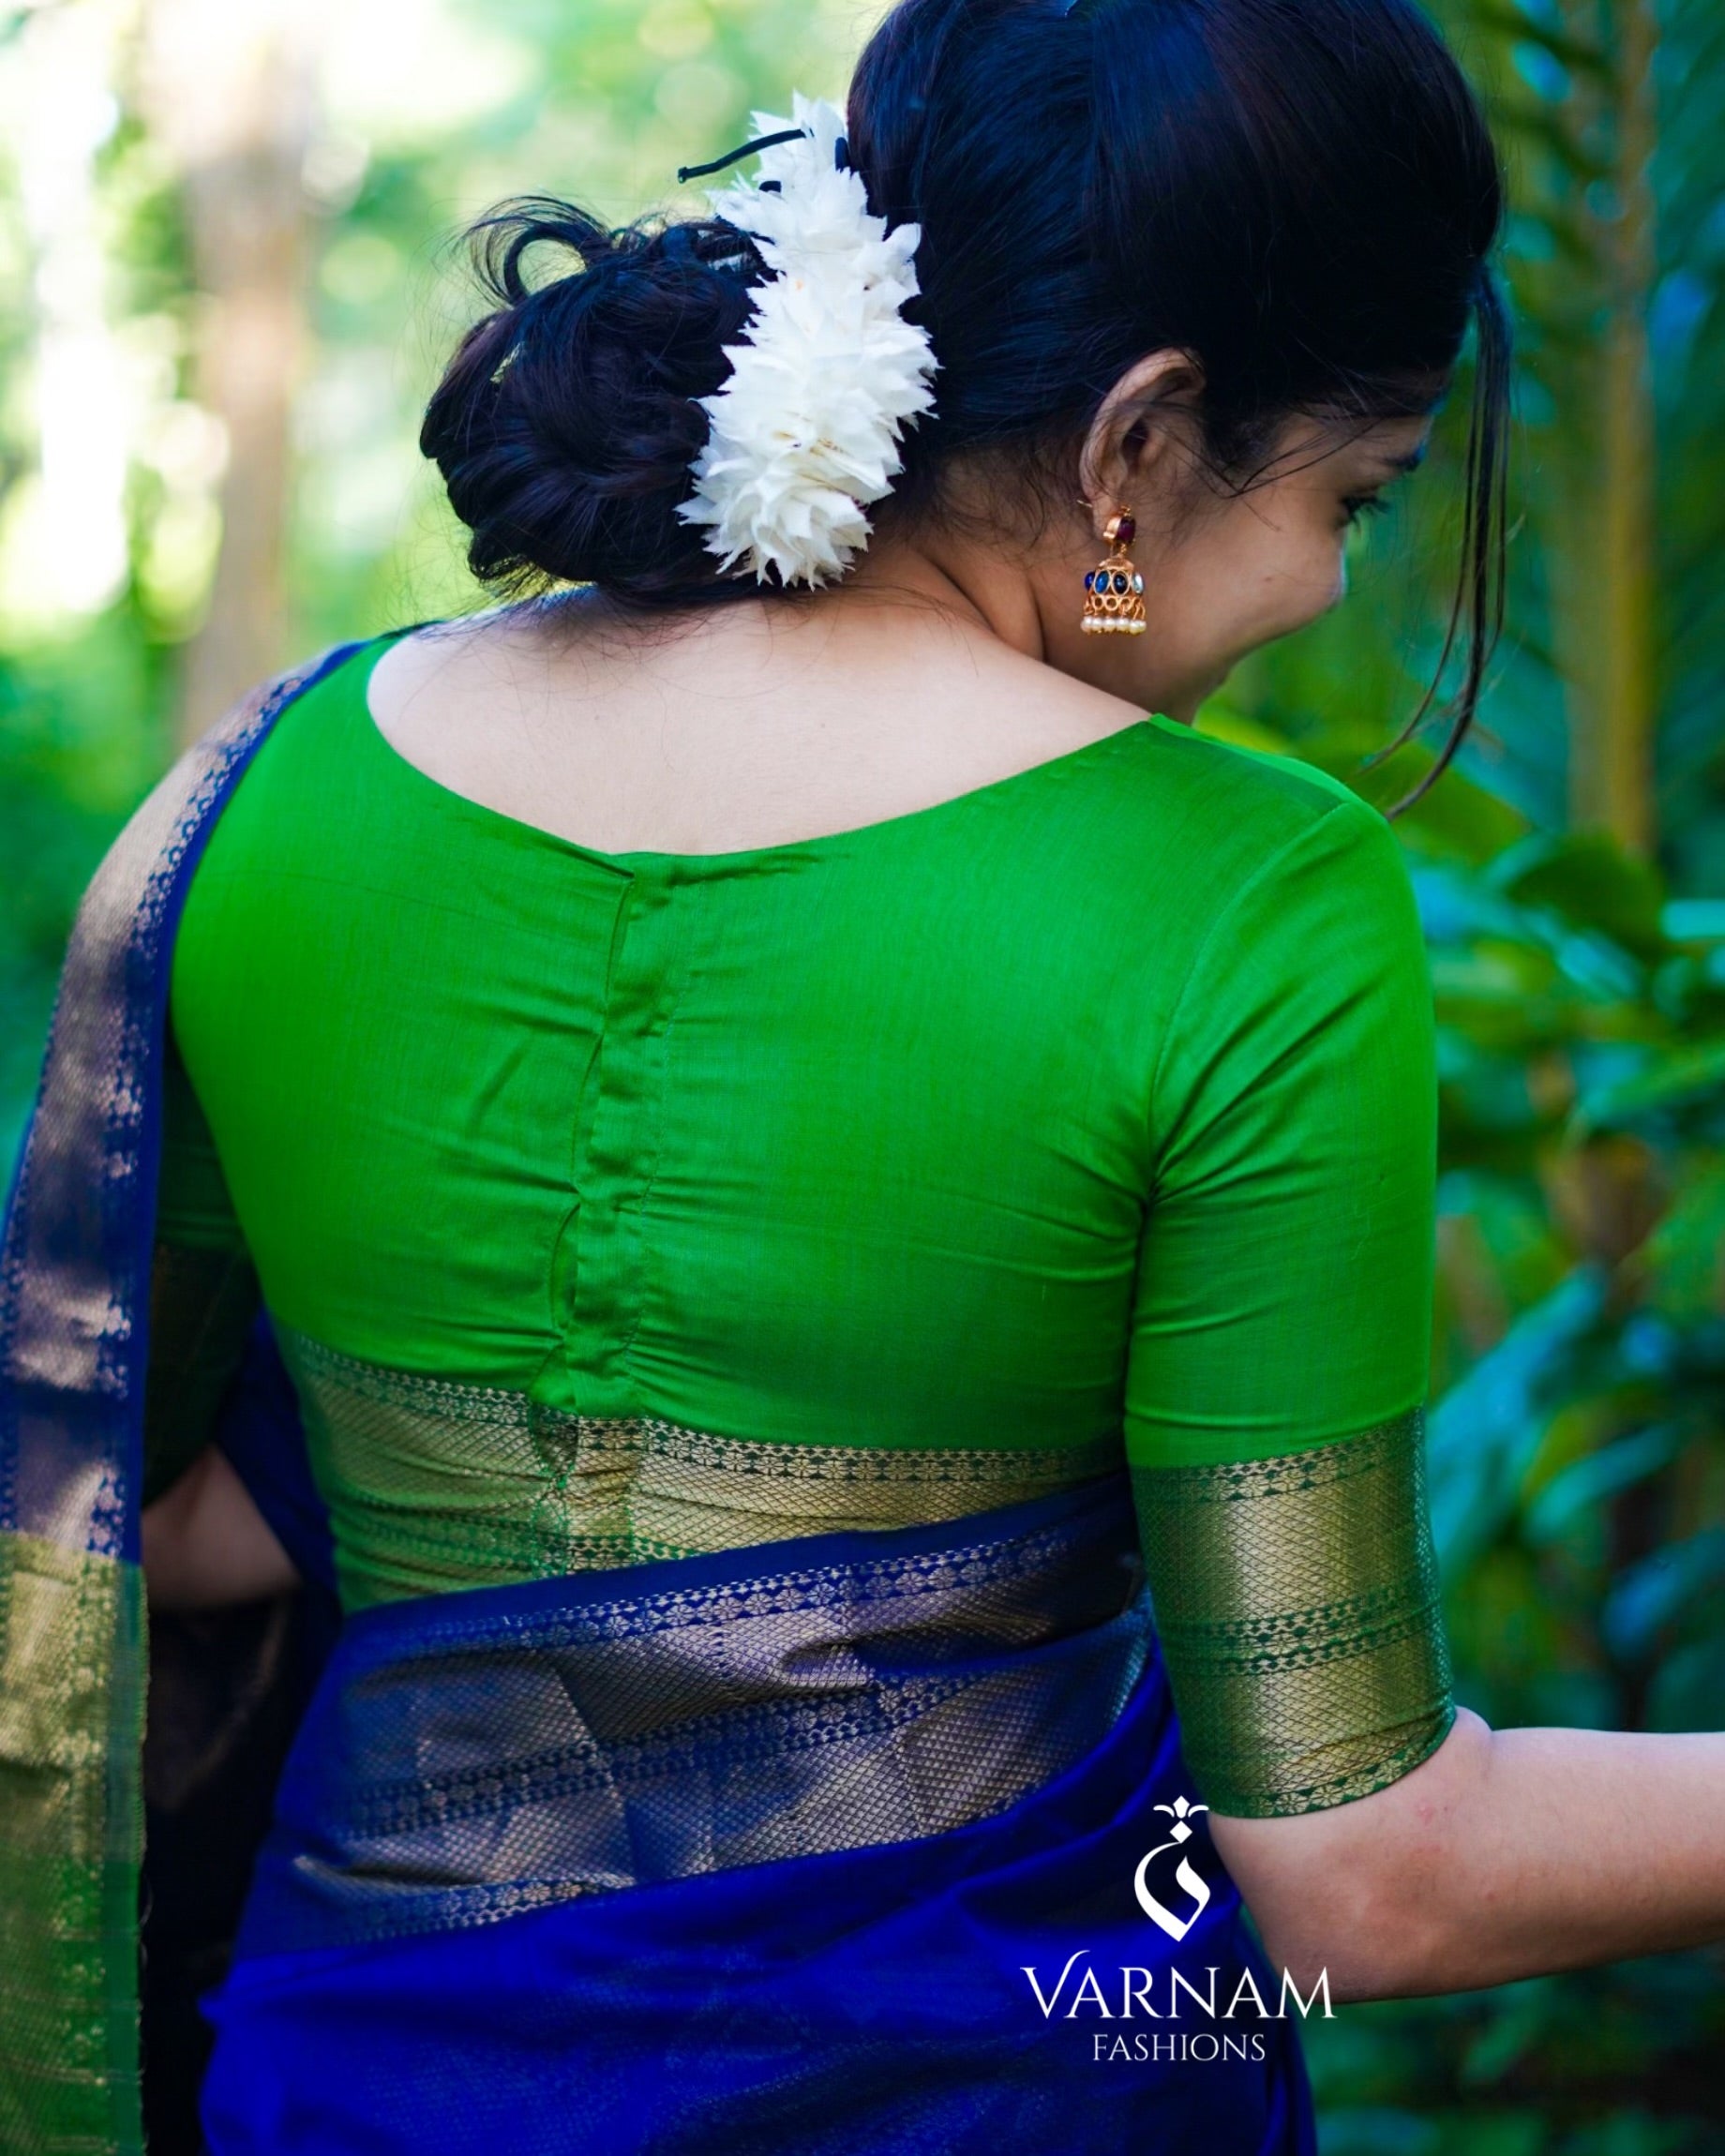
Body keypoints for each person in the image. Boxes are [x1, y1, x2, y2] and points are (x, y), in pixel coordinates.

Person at [2, 0, 1720, 2149]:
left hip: (352, 2090)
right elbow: (1357, 1869)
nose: (1327, 581)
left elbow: (131, 1519)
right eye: (1353, 495)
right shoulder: (1243, 900)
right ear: (1136, 441)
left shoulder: (266, 792)